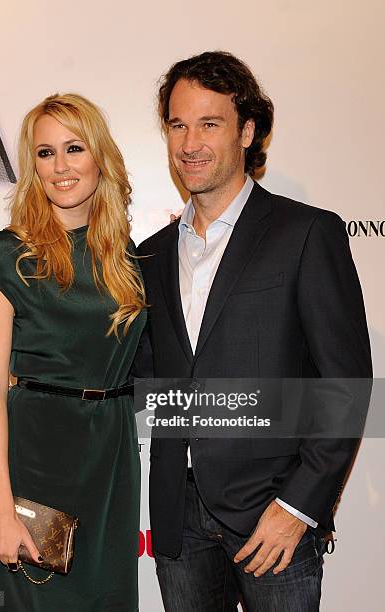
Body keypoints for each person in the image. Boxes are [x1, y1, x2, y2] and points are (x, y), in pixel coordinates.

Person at [134, 51, 372, 611]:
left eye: (209, 123)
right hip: (179, 523)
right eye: (178, 124)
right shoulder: (150, 255)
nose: (190, 142)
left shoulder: (307, 233)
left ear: (246, 130)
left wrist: (298, 506)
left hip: (274, 518)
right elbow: (151, 384)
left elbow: (347, 383)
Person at [0, 93, 146, 611]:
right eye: (45, 153)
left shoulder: (127, 256)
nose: (61, 166)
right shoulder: (7, 255)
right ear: (33, 168)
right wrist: (2, 508)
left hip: (112, 454)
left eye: (74, 148)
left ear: (99, 157)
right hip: (40, 457)